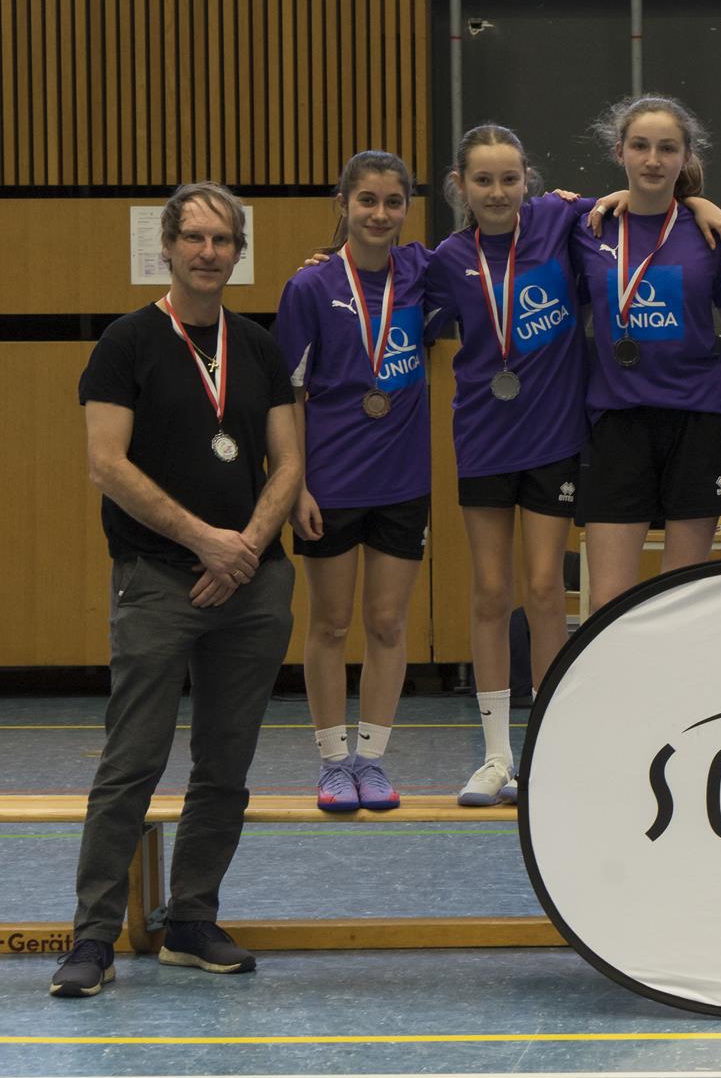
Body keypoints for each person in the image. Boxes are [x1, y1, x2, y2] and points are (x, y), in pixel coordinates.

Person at [52, 184, 301, 997]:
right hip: (158, 581)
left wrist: (245, 548)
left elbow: (289, 462)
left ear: (238, 252)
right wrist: (206, 542)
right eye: (193, 237)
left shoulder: (258, 347)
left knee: (225, 764)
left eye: (222, 239)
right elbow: (106, 464)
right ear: (166, 246)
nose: (207, 251)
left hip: (252, 587)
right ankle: (93, 936)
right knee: (131, 761)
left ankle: (191, 920)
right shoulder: (125, 343)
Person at [425, 124, 593, 805]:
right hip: (485, 436)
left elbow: (642, 210)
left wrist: (705, 204)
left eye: (509, 178)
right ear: (460, 185)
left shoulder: (559, 220)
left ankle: (548, 750)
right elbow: (385, 284)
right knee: (492, 591)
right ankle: (496, 757)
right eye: (483, 180)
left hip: (554, 434)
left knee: (546, 589)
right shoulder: (446, 259)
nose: (497, 192)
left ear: (529, 180)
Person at [276, 151, 432, 814]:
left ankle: (371, 758)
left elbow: (502, 235)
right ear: (343, 203)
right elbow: (288, 394)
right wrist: (296, 485)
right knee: (332, 623)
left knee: (388, 622)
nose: (379, 213)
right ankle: (333, 763)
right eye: (366, 200)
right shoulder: (309, 287)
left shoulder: (423, 272)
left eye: (393, 201)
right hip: (331, 482)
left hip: (402, 480)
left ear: (407, 208)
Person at [571, 94, 721, 615]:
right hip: (618, 421)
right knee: (608, 600)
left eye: (667, 148)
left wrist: (699, 204)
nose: (653, 160)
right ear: (619, 151)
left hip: (697, 420)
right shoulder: (588, 227)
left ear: (685, 157)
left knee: (682, 598)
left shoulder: (711, 233)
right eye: (640, 146)